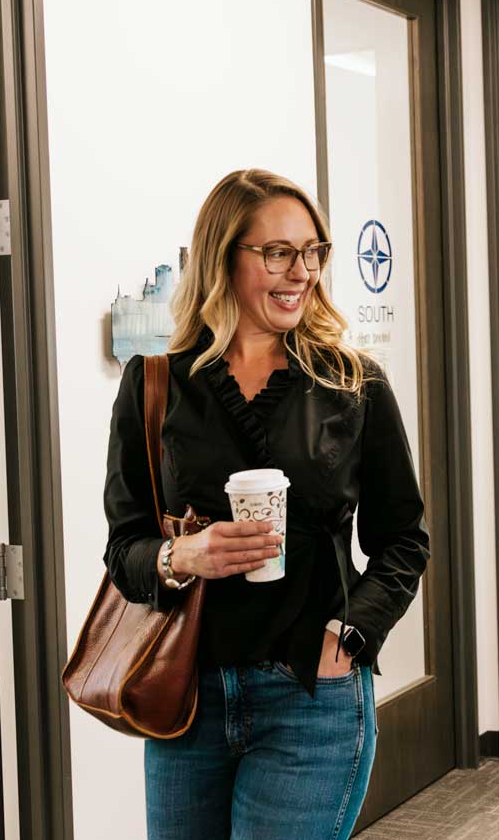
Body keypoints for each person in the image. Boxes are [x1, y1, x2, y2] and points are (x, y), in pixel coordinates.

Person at [103, 169, 430, 839]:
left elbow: (403, 539)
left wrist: (354, 634)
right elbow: (124, 548)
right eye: (279, 252)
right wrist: (180, 555)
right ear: (225, 256)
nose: (301, 272)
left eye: (313, 252)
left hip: (312, 697)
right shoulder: (156, 384)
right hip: (186, 697)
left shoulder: (351, 383)